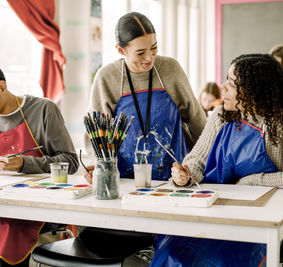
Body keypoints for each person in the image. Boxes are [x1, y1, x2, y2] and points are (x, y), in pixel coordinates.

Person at [149, 54, 283, 267]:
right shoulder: (221, 114)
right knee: (173, 254)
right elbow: (197, 159)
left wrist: (252, 181)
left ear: (253, 90)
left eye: (232, 83)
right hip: (214, 212)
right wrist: (185, 175)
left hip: (259, 221)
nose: (223, 87)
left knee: (215, 261)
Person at [84, 12, 206, 182]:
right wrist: (99, 168)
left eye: (154, 48)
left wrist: (197, 166)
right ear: (121, 50)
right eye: (140, 53)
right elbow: (96, 136)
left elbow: (198, 123)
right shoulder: (107, 77)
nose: (149, 58)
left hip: (174, 179)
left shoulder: (171, 69)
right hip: (123, 181)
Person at [0, 68, 79, 266]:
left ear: (2, 87)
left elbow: (70, 162)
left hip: (40, 206)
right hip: (5, 202)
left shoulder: (43, 110)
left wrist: (24, 163)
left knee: (9, 227)